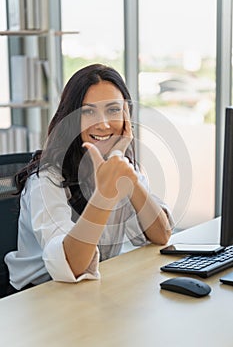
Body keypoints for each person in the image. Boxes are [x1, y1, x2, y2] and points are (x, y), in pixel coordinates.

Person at [5, 63, 173, 294]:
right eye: (88, 111)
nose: (103, 123)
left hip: (92, 290)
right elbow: (72, 266)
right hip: (40, 294)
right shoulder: (46, 179)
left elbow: (161, 235)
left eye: (113, 110)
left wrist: (130, 180)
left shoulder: (120, 166)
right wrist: (103, 196)